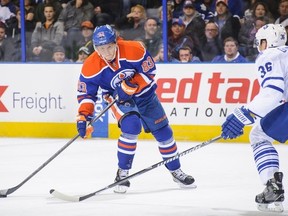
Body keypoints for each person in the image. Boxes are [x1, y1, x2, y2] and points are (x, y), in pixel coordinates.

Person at [76, 24, 195, 193]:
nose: (107, 52)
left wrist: (133, 84)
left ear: (116, 42)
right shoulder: (90, 65)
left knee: (164, 133)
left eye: (110, 47)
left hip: (145, 95)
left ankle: (176, 170)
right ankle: (122, 174)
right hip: (118, 99)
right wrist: (83, 116)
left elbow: (150, 71)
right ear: (96, 47)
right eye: (102, 48)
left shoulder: (134, 49)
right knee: (131, 126)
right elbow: (87, 95)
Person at [221, 24, 286, 212]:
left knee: (259, 135)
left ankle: (271, 184)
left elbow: (273, 92)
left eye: (260, 42)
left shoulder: (270, 55)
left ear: (267, 42)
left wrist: (244, 114)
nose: (259, 46)